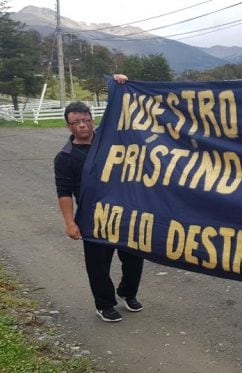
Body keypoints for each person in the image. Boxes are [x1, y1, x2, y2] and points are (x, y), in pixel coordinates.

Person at [54, 74, 145, 323]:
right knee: (98, 265)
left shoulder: (109, 140)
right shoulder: (65, 157)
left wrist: (120, 85)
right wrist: (70, 222)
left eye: (85, 120)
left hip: (125, 210)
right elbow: (63, 192)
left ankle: (128, 292)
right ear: (68, 126)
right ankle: (104, 303)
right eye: (75, 122)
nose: (81, 125)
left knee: (134, 258)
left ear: (91, 120)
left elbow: (122, 113)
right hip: (93, 217)